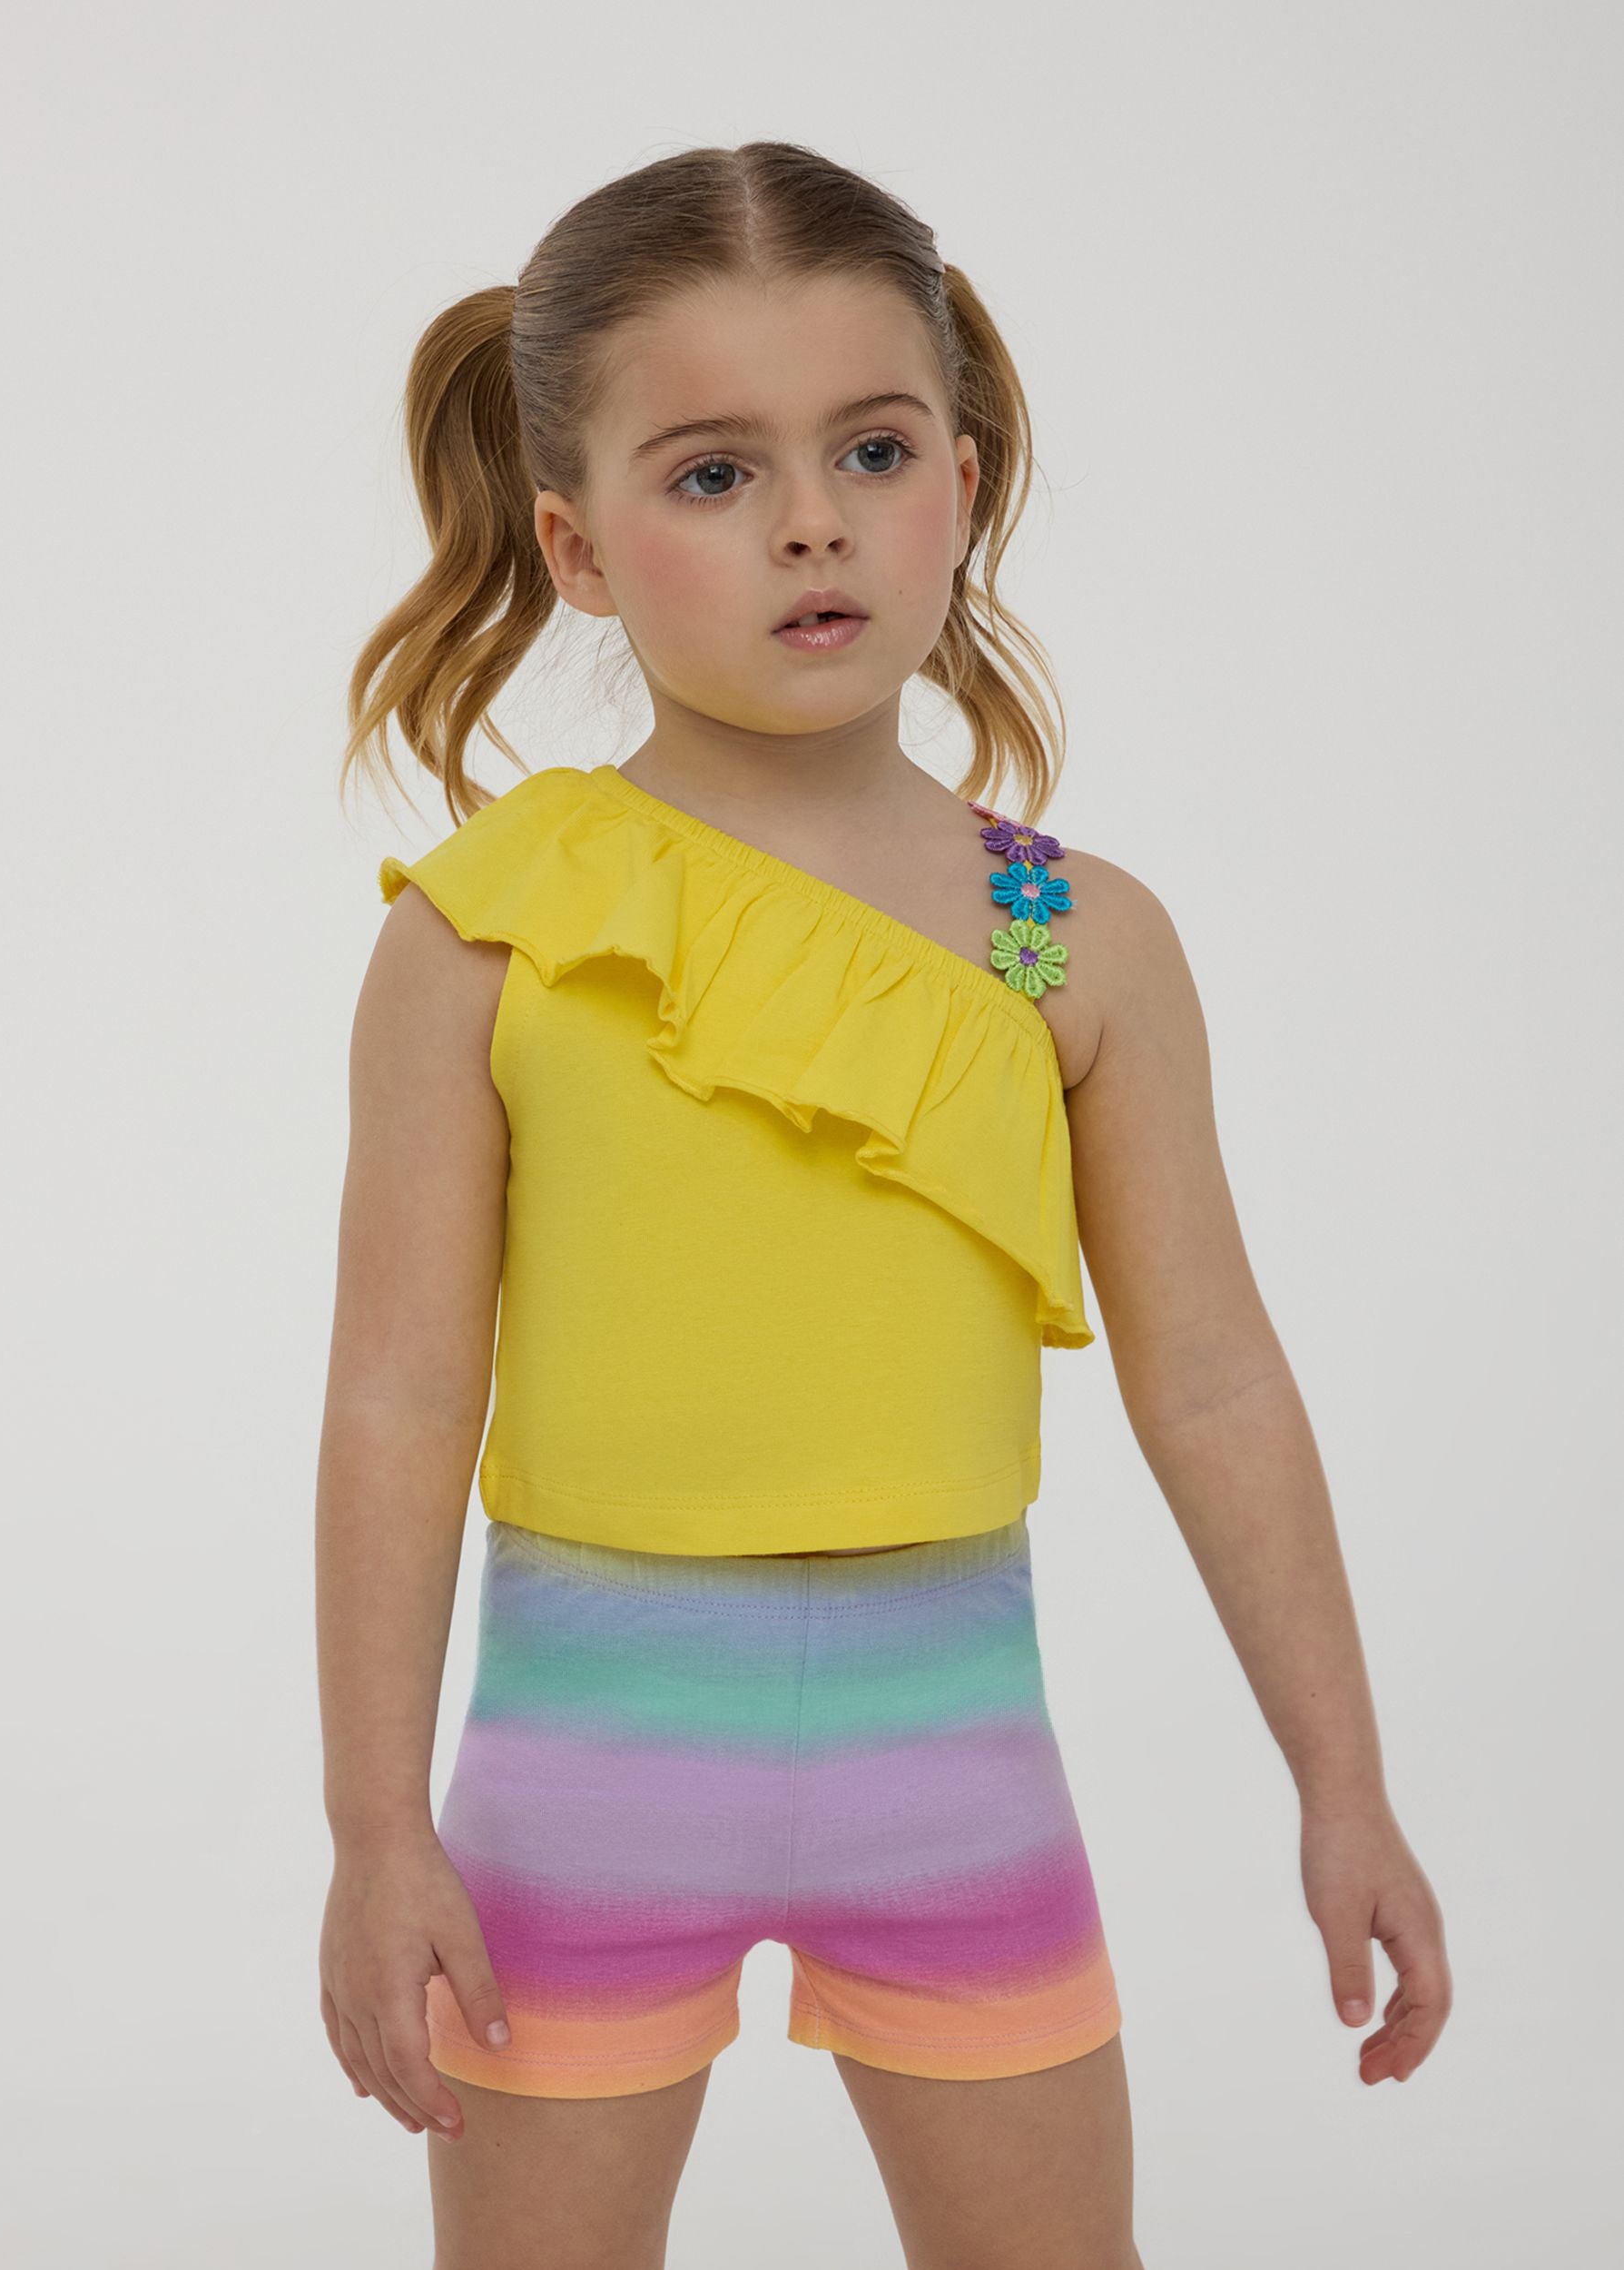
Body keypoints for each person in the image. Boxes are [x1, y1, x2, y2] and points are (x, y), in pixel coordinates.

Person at [316, 139, 1452, 2270]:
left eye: (871, 448)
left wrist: (1345, 1782)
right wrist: (374, 1827)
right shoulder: (488, 932)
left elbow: (1212, 1379)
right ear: (574, 545)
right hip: (583, 1772)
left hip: (956, 1760)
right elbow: (395, 1398)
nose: (812, 520)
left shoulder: (1073, 939)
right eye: (714, 473)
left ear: (963, 480)